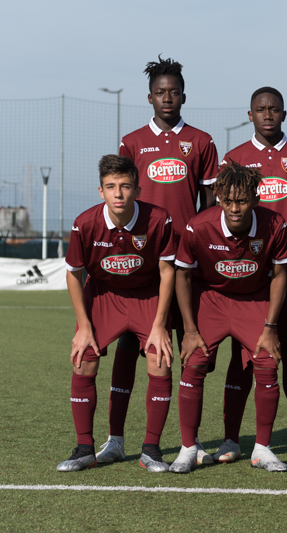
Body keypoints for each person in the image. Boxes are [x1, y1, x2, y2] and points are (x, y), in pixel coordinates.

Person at [96, 55, 219, 465]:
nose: (168, 98)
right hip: (143, 261)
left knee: (190, 350)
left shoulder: (201, 142)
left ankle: (189, 443)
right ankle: (115, 439)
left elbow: (209, 202)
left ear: (184, 96)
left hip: (186, 263)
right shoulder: (132, 142)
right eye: (160, 92)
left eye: (174, 92)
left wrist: (202, 247)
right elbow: (122, 197)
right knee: (130, 345)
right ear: (150, 97)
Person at [213, 86, 287, 464]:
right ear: (250, 115)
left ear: (283, 114)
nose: (267, 115)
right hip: (248, 275)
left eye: (274, 109)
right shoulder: (234, 158)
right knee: (242, 357)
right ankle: (231, 439)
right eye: (260, 109)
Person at [57, 154, 176, 473]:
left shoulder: (159, 219)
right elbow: (74, 273)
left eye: (125, 186)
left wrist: (160, 324)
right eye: (111, 187)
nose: (118, 193)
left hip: (146, 295)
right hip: (104, 295)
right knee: (83, 359)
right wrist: (84, 326)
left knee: (161, 361)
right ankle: (84, 449)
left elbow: (167, 270)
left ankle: (151, 450)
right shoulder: (85, 223)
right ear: (101, 191)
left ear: (137, 189)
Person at [171, 161, 287, 473]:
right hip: (211, 298)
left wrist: (270, 327)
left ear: (256, 199)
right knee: (194, 361)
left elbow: (280, 274)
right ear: (219, 198)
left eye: (242, 201)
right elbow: (183, 276)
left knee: (267, 362)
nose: (235, 209)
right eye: (228, 201)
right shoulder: (198, 226)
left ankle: (262, 449)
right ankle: (188, 448)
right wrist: (189, 330)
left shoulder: (275, 224)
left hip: (253, 298)